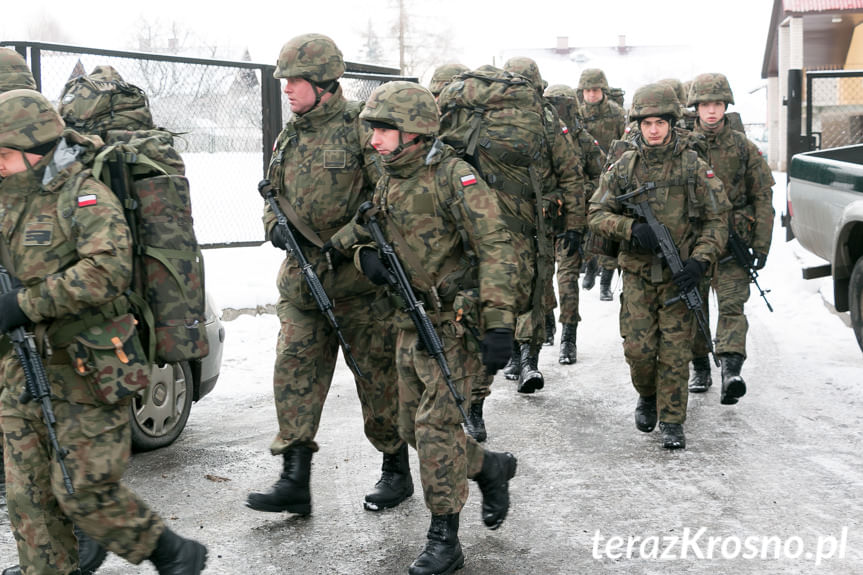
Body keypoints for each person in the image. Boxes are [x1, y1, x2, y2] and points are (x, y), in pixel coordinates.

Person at [0, 89, 207, 574]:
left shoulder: (83, 196)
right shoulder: (7, 200)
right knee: (29, 500)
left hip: (86, 368)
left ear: (36, 148)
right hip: (19, 371)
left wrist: (25, 303)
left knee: (85, 492)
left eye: (4, 155)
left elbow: (107, 270)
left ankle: (171, 550)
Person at [332, 80, 518, 575]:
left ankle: (445, 537)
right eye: (372, 129)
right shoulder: (390, 175)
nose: (374, 139)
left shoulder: (453, 178)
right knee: (409, 424)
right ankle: (489, 467)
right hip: (408, 320)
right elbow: (366, 227)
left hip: (456, 325)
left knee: (436, 429)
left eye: (383, 130)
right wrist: (362, 253)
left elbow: (498, 248)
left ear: (413, 132)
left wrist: (500, 323)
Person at [245, 34, 412, 516]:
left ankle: (395, 469)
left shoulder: (362, 129)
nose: (287, 90)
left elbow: (386, 200)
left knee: (377, 382)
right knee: (293, 375)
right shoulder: (290, 135)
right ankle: (294, 478)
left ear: (324, 82)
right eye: (285, 81)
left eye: (295, 81)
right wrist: (276, 227)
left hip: (358, 286)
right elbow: (272, 195)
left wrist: (346, 242)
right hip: (302, 286)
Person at [588, 82, 730, 449]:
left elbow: (718, 218)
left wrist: (700, 261)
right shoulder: (624, 167)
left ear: (671, 122)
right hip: (637, 276)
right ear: (638, 124)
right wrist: (630, 228)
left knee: (675, 352)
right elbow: (596, 212)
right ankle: (647, 395)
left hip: (680, 276)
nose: (654, 130)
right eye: (647, 123)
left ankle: (672, 420)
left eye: (660, 122)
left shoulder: (692, 165)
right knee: (639, 351)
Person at [686, 72, 775, 402]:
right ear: (696, 107)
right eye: (705, 104)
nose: (711, 111)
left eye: (718, 104)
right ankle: (700, 367)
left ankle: (731, 369)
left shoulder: (742, 146)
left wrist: (761, 243)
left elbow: (763, 195)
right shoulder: (682, 146)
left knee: (732, 306)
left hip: (733, 242)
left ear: (726, 106)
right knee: (694, 307)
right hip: (693, 244)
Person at [502, 57, 587, 393]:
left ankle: (528, 358)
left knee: (536, 289)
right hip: (498, 221)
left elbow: (571, 173)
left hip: (540, 222)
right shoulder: (489, 120)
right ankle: (512, 352)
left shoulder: (548, 120)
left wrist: (575, 225)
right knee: (504, 289)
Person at [544, 83, 607, 364]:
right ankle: (544, 323)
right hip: (542, 221)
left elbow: (604, 178)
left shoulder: (582, 140)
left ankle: (568, 336)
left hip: (572, 221)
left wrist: (579, 191)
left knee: (567, 279)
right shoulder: (539, 139)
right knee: (539, 278)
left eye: (561, 106)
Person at [577, 68, 626, 301]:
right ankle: (590, 266)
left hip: (611, 176)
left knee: (608, 228)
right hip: (587, 179)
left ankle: (606, 280)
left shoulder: (616, 114)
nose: (592, 94)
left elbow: (625, 146)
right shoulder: (577, 114)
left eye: (595, 90)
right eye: (587, 90)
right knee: (588, 225)